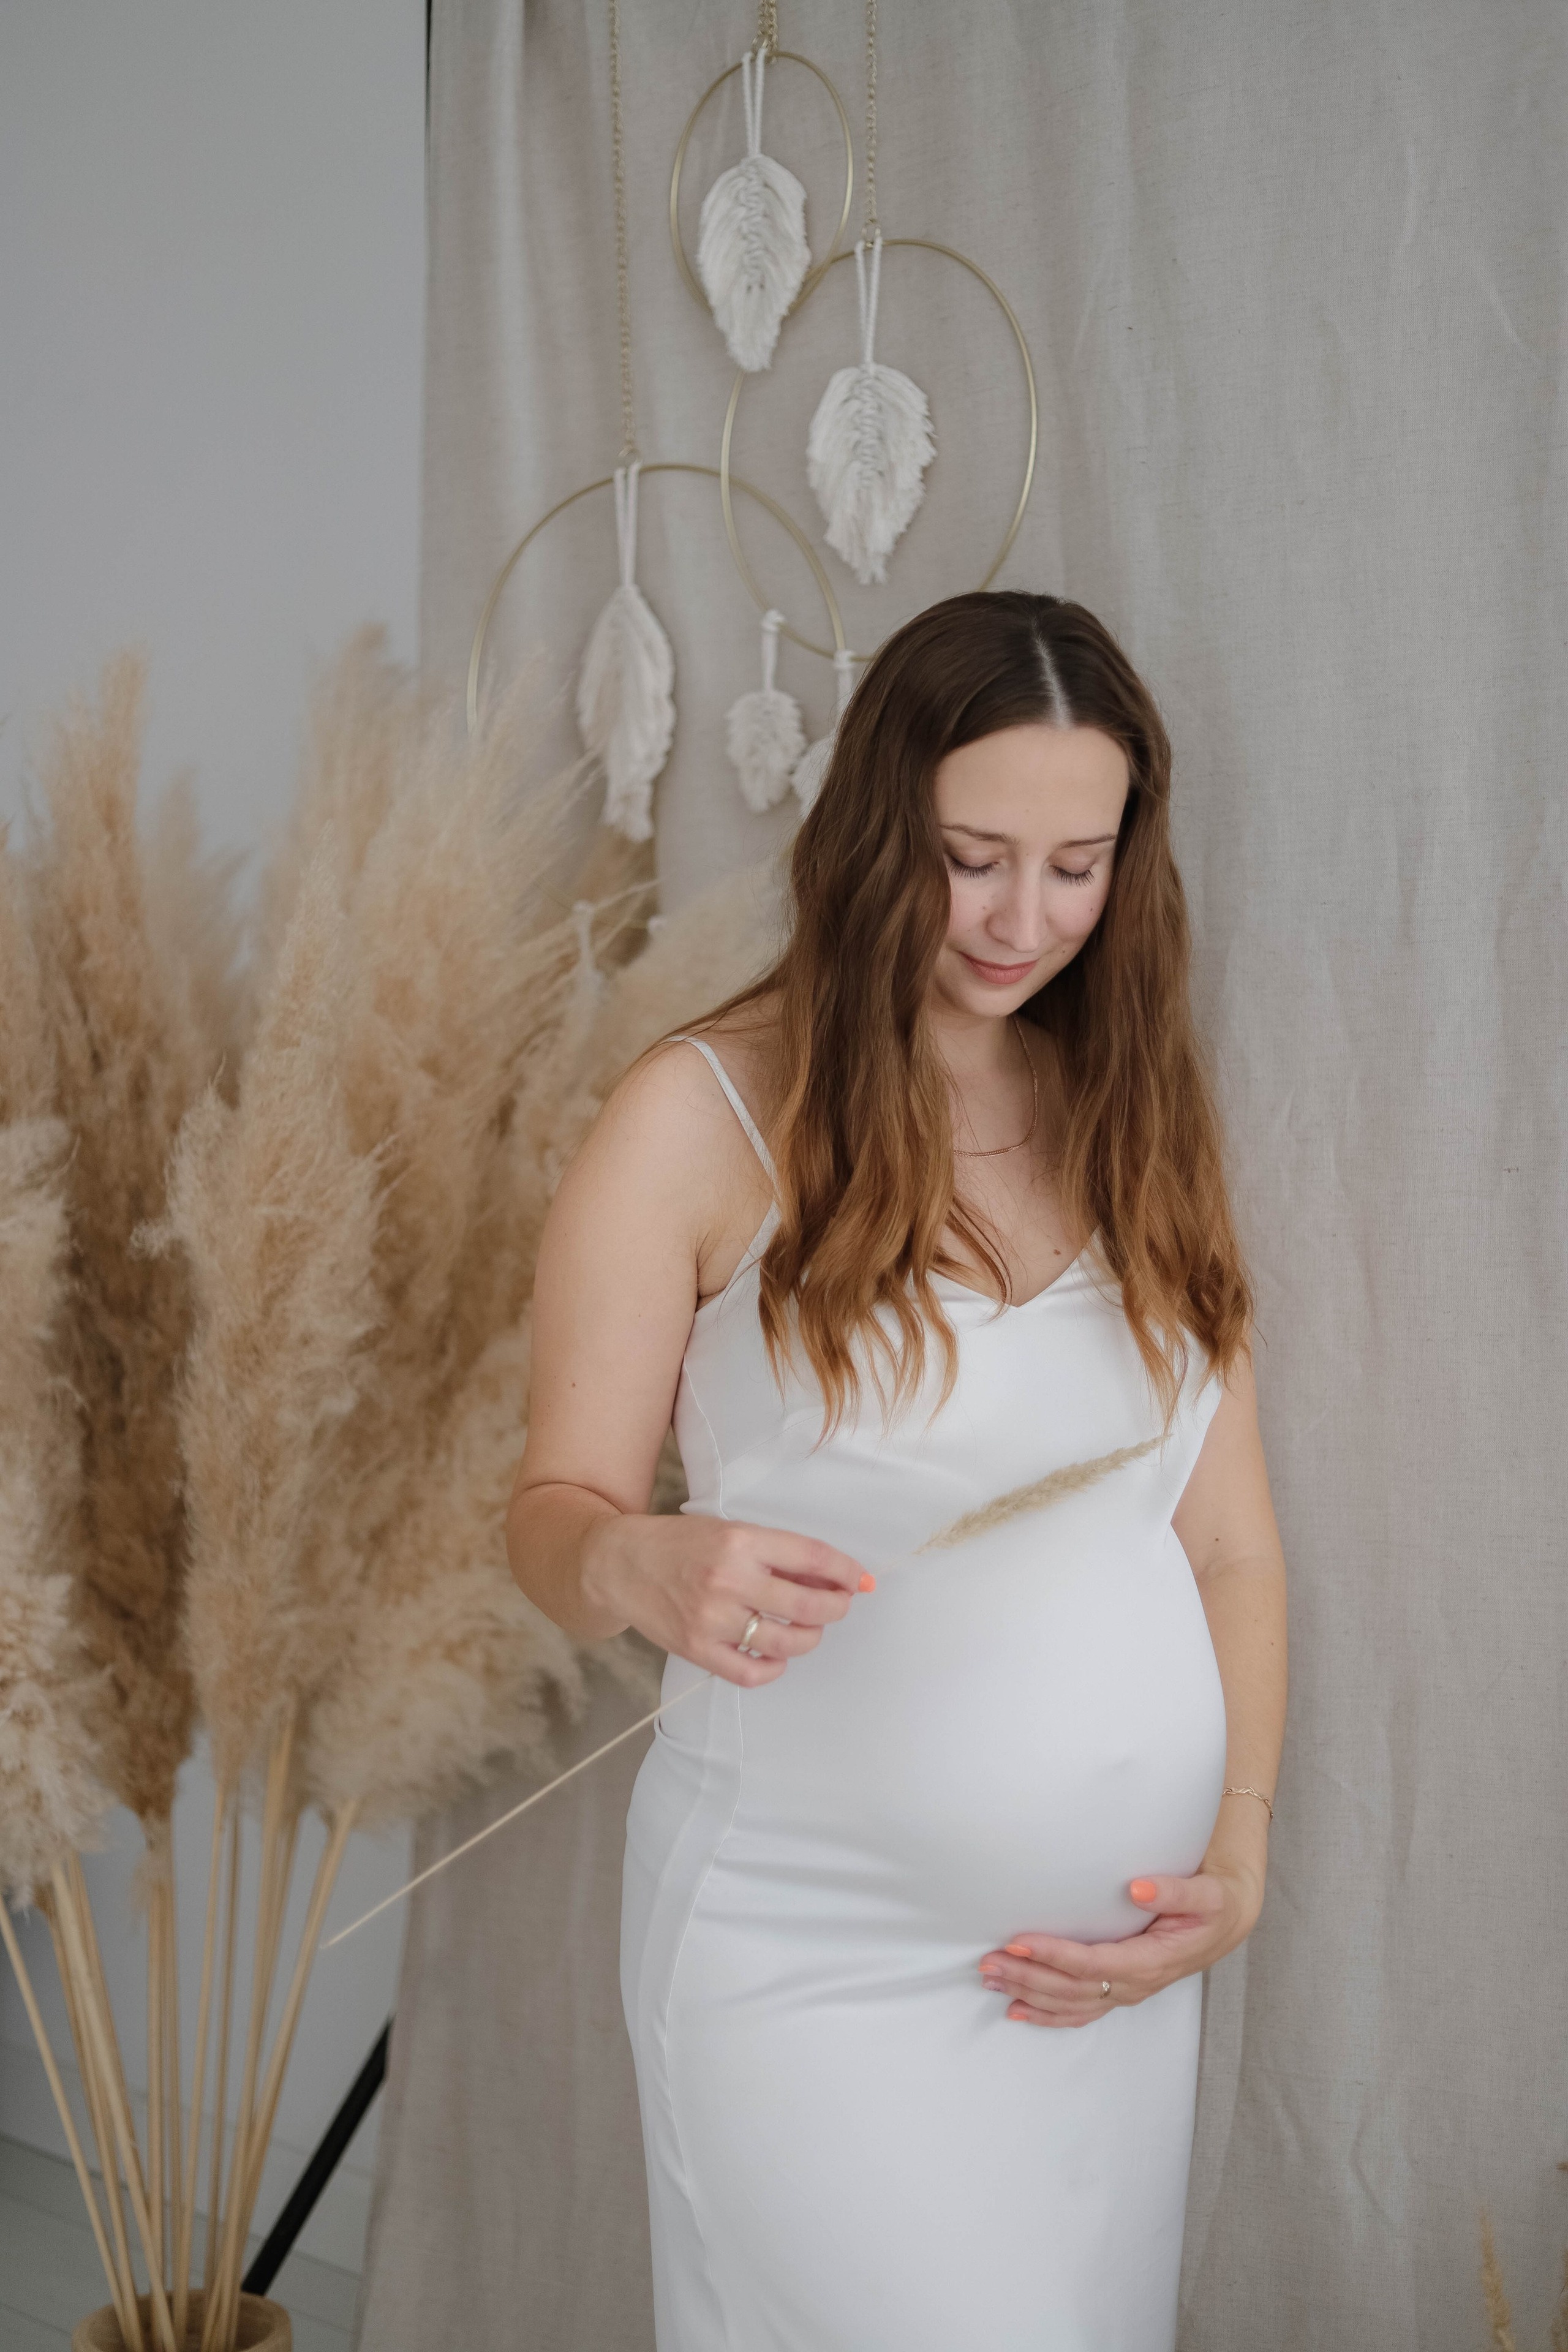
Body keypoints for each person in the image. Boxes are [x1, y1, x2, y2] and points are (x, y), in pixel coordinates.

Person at [507, 589, 1288, 2352]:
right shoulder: (697, 1117)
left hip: (1104, 1990)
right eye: (974, 857)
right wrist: (642, 1566)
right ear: (875, 836)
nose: (1025, 919)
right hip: (809, 1962)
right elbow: (554, 1513)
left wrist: (1235, 1862)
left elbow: (1228, 1545)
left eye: (1078, 864)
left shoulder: (1135, 1108)